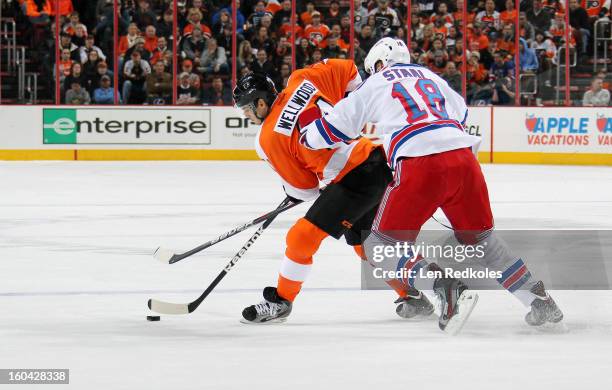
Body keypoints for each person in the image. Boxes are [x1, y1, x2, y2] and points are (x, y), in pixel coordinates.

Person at [299, 38, 564, 333]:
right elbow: (461, 115)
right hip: (463, 161)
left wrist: (307, 126)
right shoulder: (432, 77)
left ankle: (444, 286)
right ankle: (538, 299)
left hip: (420, 164)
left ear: (378, 63)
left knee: (379, 246)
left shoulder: (375, 84)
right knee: (482, 239)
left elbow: (324, 134)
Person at [232, 60, 434, 324]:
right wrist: (353, 109)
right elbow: (348, 69)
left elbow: (305, 190)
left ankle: (281, 301)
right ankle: (415, 296)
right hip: (376, 163)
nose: (246, 115)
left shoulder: (266, 139)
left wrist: (298, 189)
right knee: (367, 246)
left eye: (247, 109)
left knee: (301, 238)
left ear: (260, 103)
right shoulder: (301, 79)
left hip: (354, 179)